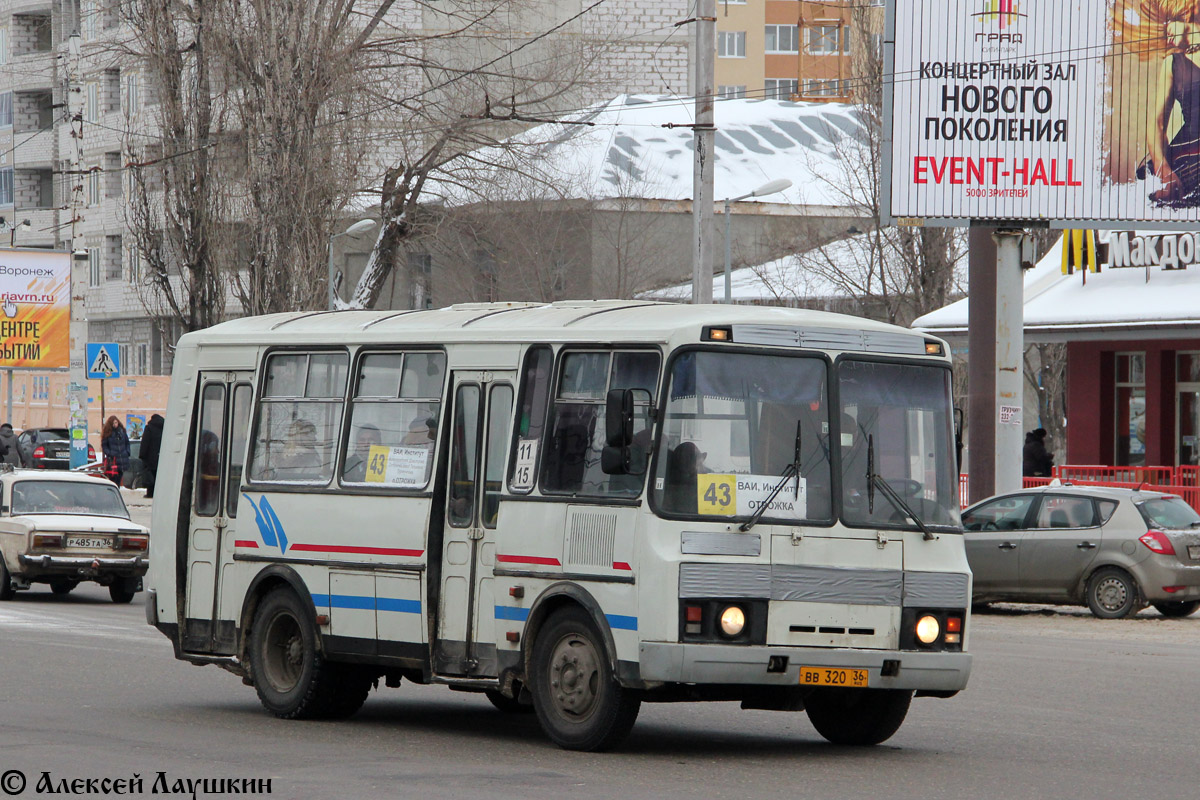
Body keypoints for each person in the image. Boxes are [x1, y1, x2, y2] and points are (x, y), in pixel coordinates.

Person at [1133, 1, 1200, 203]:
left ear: (1186, 15)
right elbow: (1156, 124)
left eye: (1170, 21)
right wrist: (1165, 173)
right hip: (1188, 162)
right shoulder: (1172, 64)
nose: (1165, 30)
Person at [139, 414, 165, 498]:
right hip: (161, 457)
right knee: (159, 476)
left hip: (150, 458)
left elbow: (145, 443)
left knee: (149, 476)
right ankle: (159, 493)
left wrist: (142, 455)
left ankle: (150, 493)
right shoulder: (164, 428)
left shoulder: (149, 428)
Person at [101, 415, 131, 486]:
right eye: (113, 423)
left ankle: (117, 490)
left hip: (122, 459)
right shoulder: (108, 433)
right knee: (113, 479)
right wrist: (110, 453)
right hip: (113, 460)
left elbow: (127, 443)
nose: (115, 424)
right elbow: (104, 446)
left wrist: (127, 452)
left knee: (119, 477)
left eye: (116, 422)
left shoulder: (122, 432)